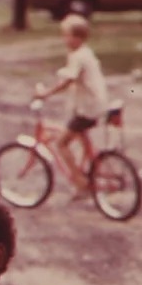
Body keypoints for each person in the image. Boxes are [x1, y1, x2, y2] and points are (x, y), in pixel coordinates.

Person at [35, 11, 109, 192]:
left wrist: (46, 94)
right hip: (95, 105)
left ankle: (80, 182)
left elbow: (68, 81)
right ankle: (86, 173)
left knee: (61, 143)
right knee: (75, 132)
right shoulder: (84, 52)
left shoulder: (78, 56)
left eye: (66, 36)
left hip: (89, 108)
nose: (64, 40)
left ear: (77, 38)